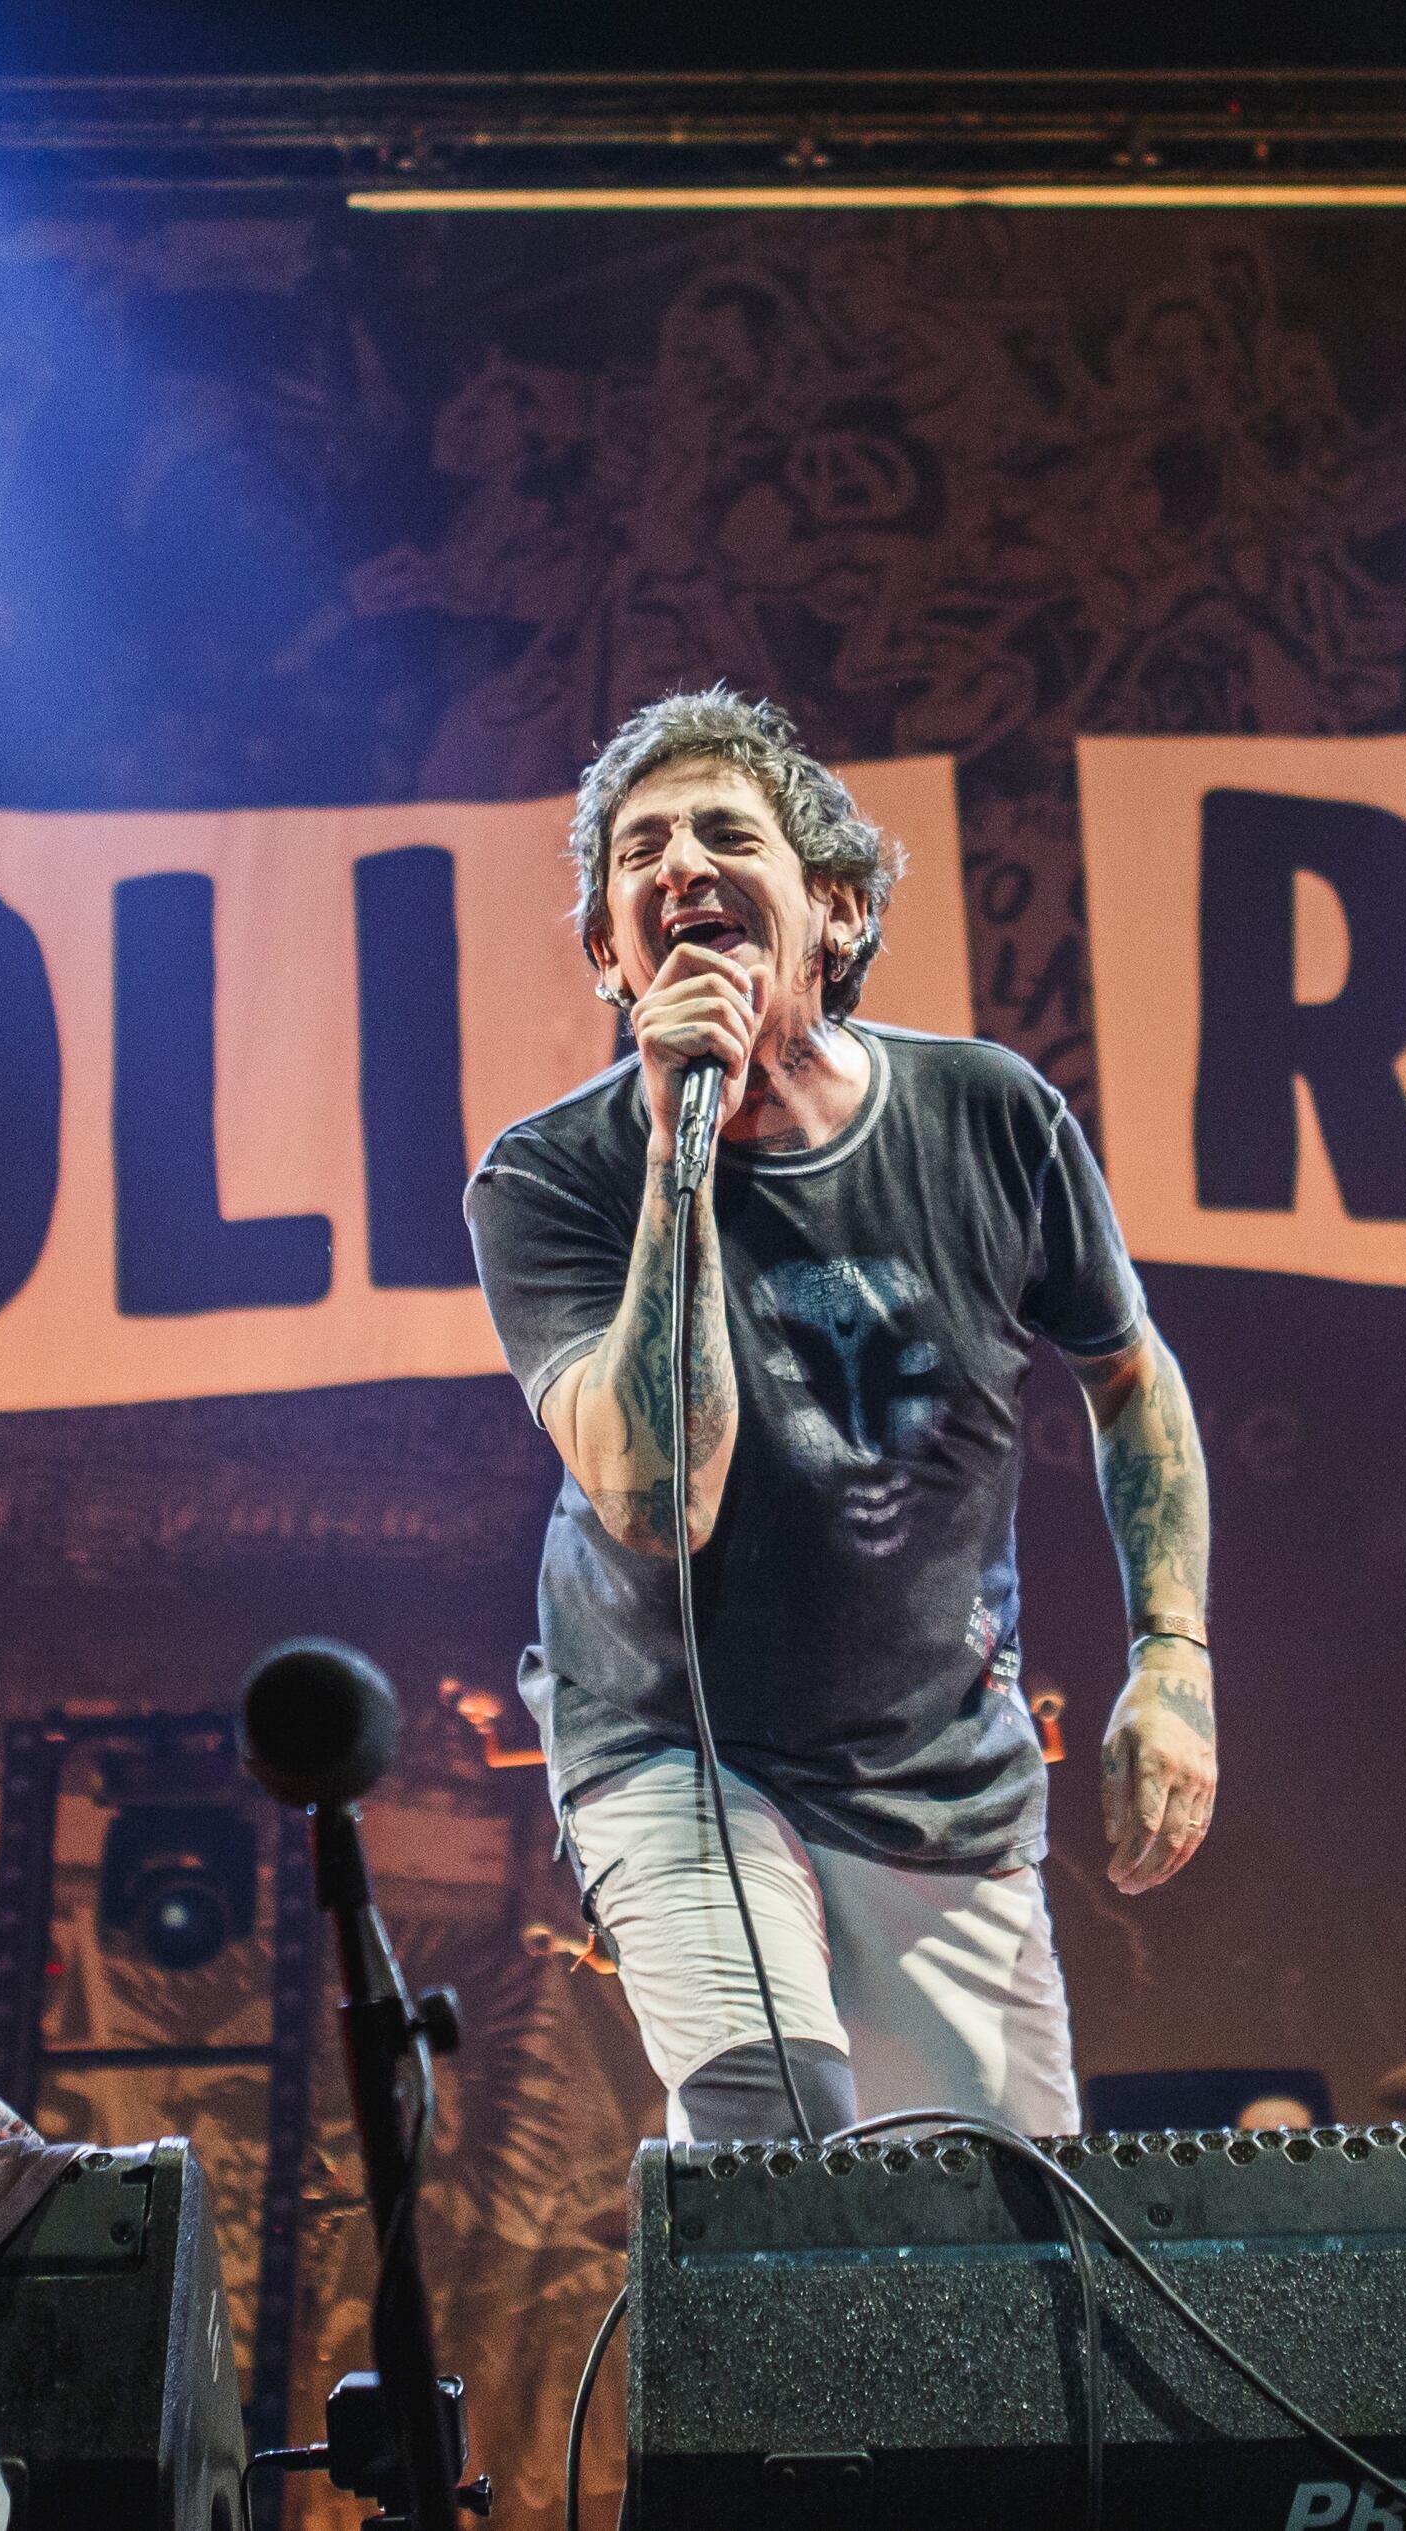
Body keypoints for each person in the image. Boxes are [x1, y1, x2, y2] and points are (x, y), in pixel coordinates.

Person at [465, 686, 1215, 2145]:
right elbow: (654, 1496)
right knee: (780, 2118)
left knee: (1000, 2261)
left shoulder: (989, 1118)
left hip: (936, 1776)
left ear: (840, 911)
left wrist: (1172, 1658)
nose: (676, 863)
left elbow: (1130, 1376)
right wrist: (682, 1142)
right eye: (639, 853)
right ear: (610, 960)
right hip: (672, 1743)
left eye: (722, 832)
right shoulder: (547, 1179)